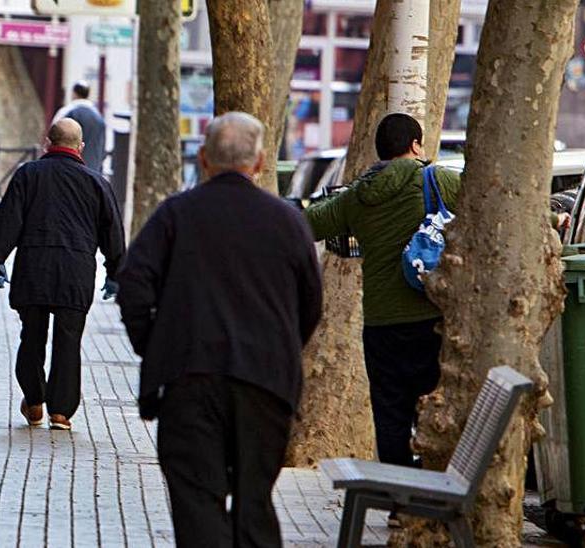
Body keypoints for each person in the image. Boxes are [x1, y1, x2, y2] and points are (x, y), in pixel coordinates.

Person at [116, 112, 322, 546]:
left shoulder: (176, 214)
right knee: (255, 500)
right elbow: (311, 303)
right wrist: (281, 347)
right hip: (265, 381)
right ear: (261, 162)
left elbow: (133, 283)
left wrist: (155, 347)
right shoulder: (288, 223)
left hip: (189, 375)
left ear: (204, 159)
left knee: (196, 498)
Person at [304, 114, 462, 486]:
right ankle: (430, 494)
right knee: (433, 405)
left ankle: (399, 503)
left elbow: (308, 223)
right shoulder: (438, 180)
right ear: (416, 145)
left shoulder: (358, 195)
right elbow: (492, 206)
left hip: (381, 324)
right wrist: (555, 218)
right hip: (431, 318)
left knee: (390, 416)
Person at [0, 118, 125, 431]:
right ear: (81, 147)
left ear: (48, 142)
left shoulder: (27, 175)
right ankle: (61, 412)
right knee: (68, 340)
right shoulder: (97, 183)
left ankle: (34, 400)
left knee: (31, 336)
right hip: (76, 272)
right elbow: (112, 233)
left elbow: (8, 219)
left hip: (34, 268)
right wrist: (115, 272)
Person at [52, 81, 107, 173]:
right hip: (92, 171)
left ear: (74, 93)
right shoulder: (98, 117)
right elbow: (102, 150)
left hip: (66, 171)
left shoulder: (67, 112)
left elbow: (51, 137)